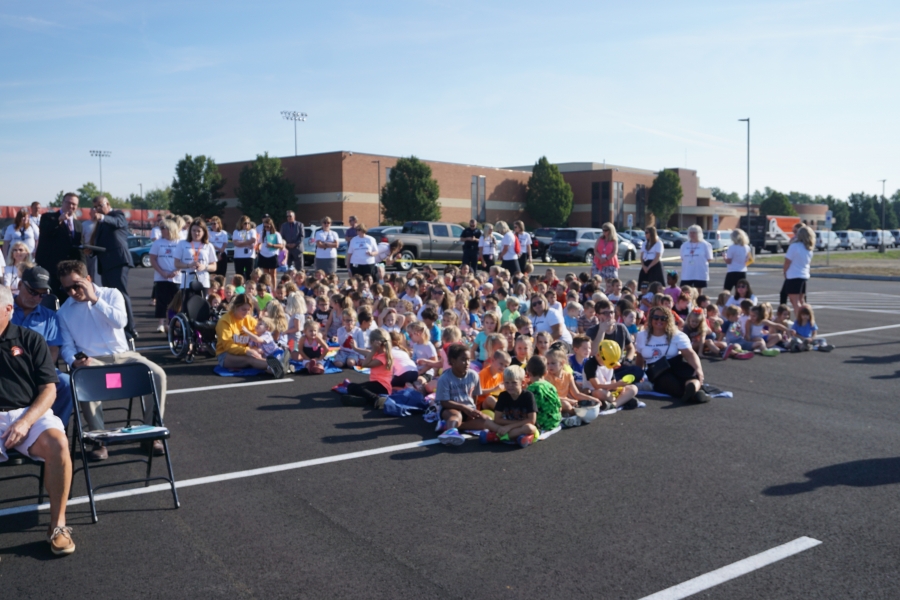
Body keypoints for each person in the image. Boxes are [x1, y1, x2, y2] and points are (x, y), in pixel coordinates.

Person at [56, 260, 169, 460]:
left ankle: (151, 434)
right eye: (67, 289)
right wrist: (74, 361)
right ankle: (98, 439)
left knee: (157, 374)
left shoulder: (111, 294)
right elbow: (66, 346)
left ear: (88, 279)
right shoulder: (64, 312)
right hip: (93, 361)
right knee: (82, 377)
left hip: (124, 356)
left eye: (76, 285)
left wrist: (95, 300)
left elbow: (120, 322)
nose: (73, 292)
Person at [0, 284, 75, 556]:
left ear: (9, 309)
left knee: (58, 444)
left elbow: (49, 389)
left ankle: (58, 526)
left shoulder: (31, 340)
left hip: (27, 412)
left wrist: (25, 422)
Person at [11, 267, 74, 427]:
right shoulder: (4, 309)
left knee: (67, 383)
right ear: (19, 285)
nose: (37, 298)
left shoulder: (50, 317)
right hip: (8, 367)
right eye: (32, 292)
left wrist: (38, 372)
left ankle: (53, 428)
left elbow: (52, 351)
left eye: (42, 294)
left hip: (39, 368)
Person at [634, 305, 710, 403]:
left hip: (675, 363)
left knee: (691, 375)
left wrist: (698, 369)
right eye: (656, 317)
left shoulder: (677, 335)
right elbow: (639, 357)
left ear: (669, 320)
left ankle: (692, 389)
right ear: (650, 319)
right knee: (670, 383)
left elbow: (689, 354)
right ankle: (696, 394)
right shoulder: (642, 336)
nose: (659, 320)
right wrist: (638, 375)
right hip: (657, 370)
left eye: (663, 318)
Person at [89, 196, 137, 339]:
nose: (97, 209)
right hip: (106, 264)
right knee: (110, 296)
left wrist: (102, 217)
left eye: (100, 205)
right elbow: (104, 244)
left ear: (107, 204)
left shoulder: (117, 215)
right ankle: (115, 326)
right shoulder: (101, 223)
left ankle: (130, 329)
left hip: (118, 261)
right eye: (95, 207)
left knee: (121, 294)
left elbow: (116, 222)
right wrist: (91, 250)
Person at [436, 344, 501, 446]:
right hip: (451, 409)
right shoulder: (444, 378)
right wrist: (463, 407)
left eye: (468, 360)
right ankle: (450, 432)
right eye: (463, 359)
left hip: (468, 409)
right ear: (453, 360)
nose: (467, 363)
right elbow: (444, 402)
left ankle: (449, 425)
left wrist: (474, 410)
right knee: (456, 415)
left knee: (488, 421)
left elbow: (475, 395)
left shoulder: (473, 375)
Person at [215, 293, 286, 377]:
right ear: (235, 307)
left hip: (245, 351)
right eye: (243, 309)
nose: (247, 312)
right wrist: (247, 351)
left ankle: (273, 369)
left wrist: (257, 349)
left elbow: (258, 337)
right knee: (250, 359)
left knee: (257, 354)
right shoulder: (224, 321)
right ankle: (277, 366)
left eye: (248, 310)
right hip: (226, 355)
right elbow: (228, 346)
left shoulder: (250, 320)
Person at [36, 192, 84, 303]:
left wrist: (83, 270)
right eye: (69, 203)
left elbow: (79, 248)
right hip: (51, 269)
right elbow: (46, 232)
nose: (71, 206)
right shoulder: (48, 217)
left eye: (74, 204)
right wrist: (59, 220)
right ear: (62, 203)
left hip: (70, 271)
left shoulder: (78, 224)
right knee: (51, 300)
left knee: (68, 301)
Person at [480, 365, 539, 448]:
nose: (509, 385)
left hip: (521, 425)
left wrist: (509, 427)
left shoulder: (528, 396)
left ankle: (496, 437)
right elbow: (497, 419)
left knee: (530, 428)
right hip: (507, 425)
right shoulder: (503, 396)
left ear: (522, 383)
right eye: (506, 382)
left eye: (514, 382)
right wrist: (506, 427)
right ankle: (518, 437)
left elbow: (532, 420)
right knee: (487, 423)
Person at [149, 219, 183, 332]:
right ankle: (161, 324)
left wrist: (177, 270)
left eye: (163, 228)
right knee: (161, 300)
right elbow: (153, 259)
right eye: (161, 228)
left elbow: (184, 258)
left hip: (177, 277)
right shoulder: (158, 243)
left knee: (176, 301)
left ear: (170, 229)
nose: (161, 230)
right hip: (161, 277)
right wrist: (162, 272)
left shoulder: (180, 242)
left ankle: (172, 322)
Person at [175, 218, 218, 294]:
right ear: (190, 231)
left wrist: (204, 267)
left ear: (204, 232)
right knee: (187, 305)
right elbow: (176, 263)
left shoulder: (208, 246)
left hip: (203, 282)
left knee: (201, 305)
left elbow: (214, 267)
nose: (196, 233)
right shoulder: (182, 243)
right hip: (186, 282)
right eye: (194, 230)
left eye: (199, 231)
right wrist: (189, 265)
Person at [783, 225, 814, 320]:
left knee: (795, 301)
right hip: (803, 276)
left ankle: (800, 321)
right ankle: (807, 318)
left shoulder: (794, 246)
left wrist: (784, 272)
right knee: (801, 300)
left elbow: (787, 262)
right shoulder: (808, 249)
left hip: (793, 276)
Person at [679, 225, 713, 294]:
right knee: (685, 291)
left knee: (698, 292)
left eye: (694, 232)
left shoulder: (705, 245)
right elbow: (682, 258)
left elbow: (709, 258)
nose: (692, 234)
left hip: (699, 273)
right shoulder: (684, 245)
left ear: (699, 233)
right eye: (690, 233)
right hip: (687, 273)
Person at [257, 217, 284, 285]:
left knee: (273, 274)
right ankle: (267, 287)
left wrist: (272, 245)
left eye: (268, 226)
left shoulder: (276, 234)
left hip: (272, 255)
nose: (266, 228)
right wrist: (258, 248)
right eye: (265, 227)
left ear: (271, 225)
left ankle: (274, 289)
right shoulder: (262, 233)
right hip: (263, 255)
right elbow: (259, 243)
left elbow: (281, 246)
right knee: (266, 274)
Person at [231, 215, 258, 281]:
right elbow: (236, 243)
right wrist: (247, 244)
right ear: (241, 223)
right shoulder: (236, 231)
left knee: (250, 274)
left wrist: (241, 243)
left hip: (249, 256)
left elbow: (253, 240)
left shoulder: (252, 231)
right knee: (239, 275)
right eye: (245, 223)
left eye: (248, 223)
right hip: (238, 256)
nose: (247, 225)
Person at [638, 225, 665, 289]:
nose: (645, 234)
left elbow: (657, 257)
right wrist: (644, 266)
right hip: (645, 265)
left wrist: (649, 267)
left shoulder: (658, 243)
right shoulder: (645, 243)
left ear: (651, 233)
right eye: (645, 232)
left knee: (654, 286)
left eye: (647, 233)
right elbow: (641, 256)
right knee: (643, 284)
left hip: (654, 266)